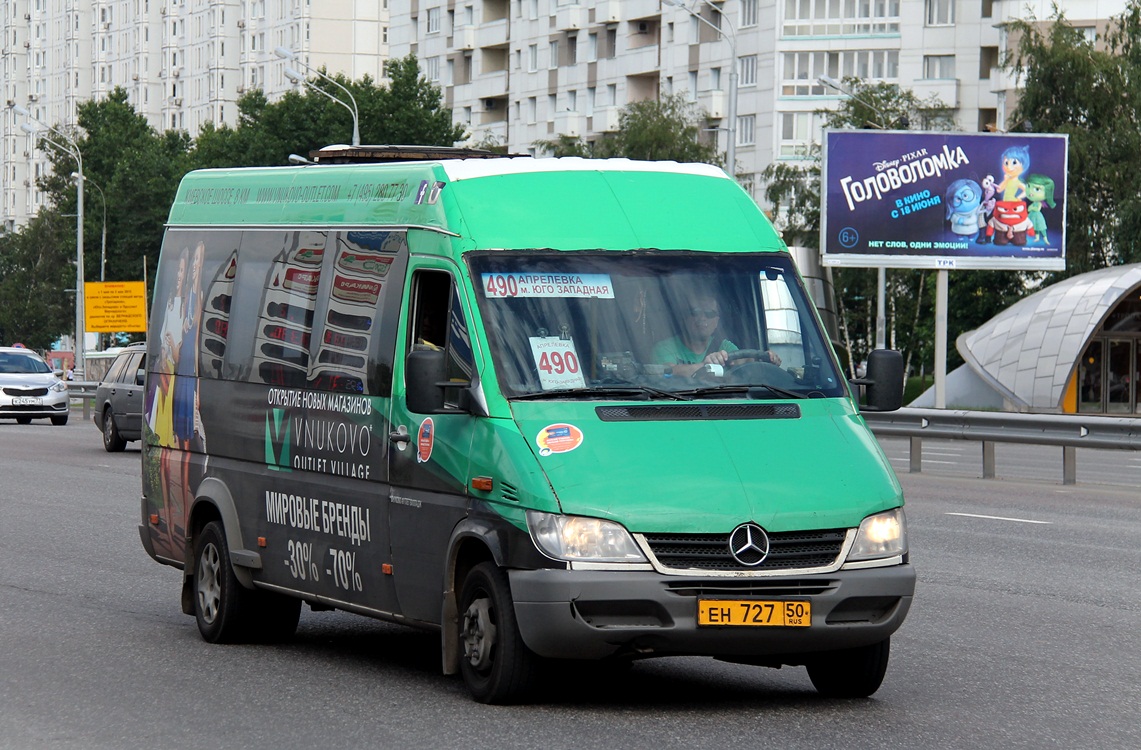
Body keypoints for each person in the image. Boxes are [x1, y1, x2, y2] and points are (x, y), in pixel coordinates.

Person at [652, 294, 780, 377]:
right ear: (684, 318)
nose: (702, 318)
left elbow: (741, 361)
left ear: (716, 322)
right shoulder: (665, 347)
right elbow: (667, 372)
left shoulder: (724, 346)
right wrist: (707, 365)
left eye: (709, 314)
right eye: (695, 312)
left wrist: (762, 360)